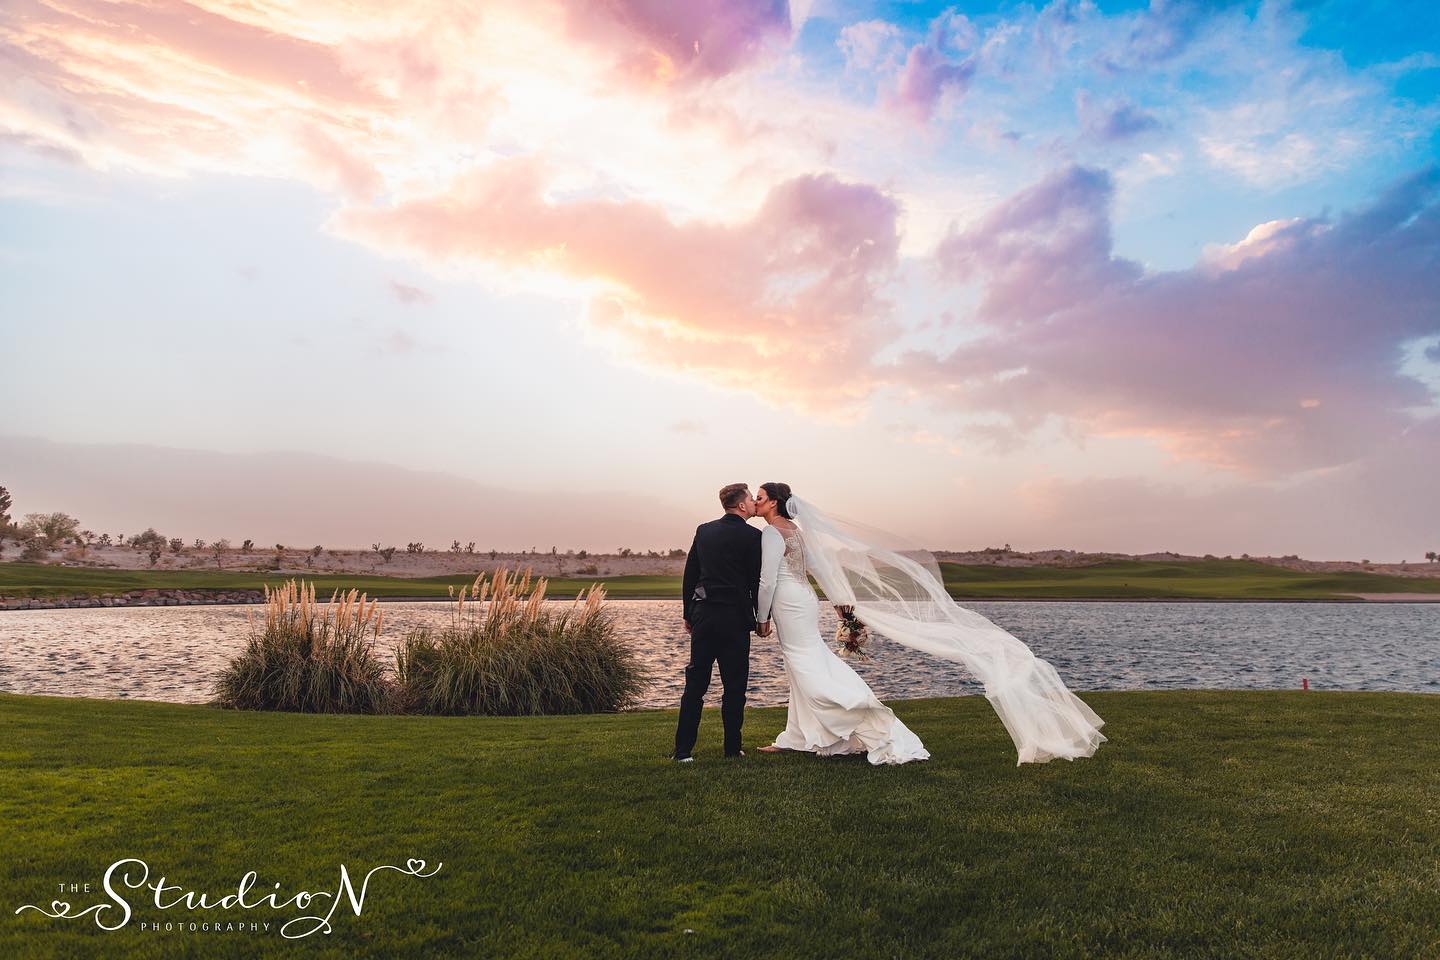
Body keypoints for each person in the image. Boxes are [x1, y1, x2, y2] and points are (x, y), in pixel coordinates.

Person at [751, 482, 930, 764]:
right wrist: (840, 606)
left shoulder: (772, 532)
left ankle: (857, 711)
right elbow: (820, 569)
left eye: (759, 497)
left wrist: (762, 617)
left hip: (787, 602)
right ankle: (796, 737)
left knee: (804, 665)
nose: (754, 501)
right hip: (806, 599)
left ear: (773, 502)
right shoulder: (796, 532)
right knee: (804, 664)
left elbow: (767, 580)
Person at [672, 483, 762, 761]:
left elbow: (691, 574)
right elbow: (755, 580)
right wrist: (760, 616)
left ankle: (683, 751)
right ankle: (732, 749)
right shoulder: (753, 536)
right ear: (742, 506)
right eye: (750, 498)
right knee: (734, 686)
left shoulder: (704, 530)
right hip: (735, 619)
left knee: (695, 684)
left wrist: (688, 613)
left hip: (704, 616)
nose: (754, 502)